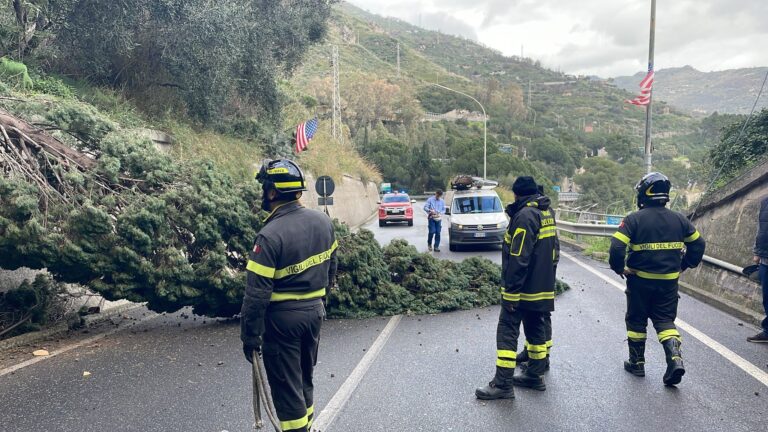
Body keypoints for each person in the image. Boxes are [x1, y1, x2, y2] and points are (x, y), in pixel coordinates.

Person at [241, 159, 338, 432]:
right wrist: (320, 302)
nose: (263, 193)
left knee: (287, 387)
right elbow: (332, 267)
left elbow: (256, 294)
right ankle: (306, 427)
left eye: (265, 188)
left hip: (282, 321)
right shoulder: (323, 222)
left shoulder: (269, 235)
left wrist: (249, 336)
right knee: (304, 378)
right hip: (314, 313)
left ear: (272, 193)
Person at [609, 172, 705, 386]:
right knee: (665, 321)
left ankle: (637, 363)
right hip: (669, 282)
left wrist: (619, 269)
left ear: (643, 194)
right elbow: (698, 244)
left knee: (636, 320)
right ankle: (675, 359)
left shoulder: (634, 219)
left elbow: (616, 246)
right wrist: (685, 264)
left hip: (640, 281)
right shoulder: (679, 219)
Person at [476, 176, 558, 400]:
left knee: (507, 331)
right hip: (541, 286)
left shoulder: (524, 216)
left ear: (517, 194)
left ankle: (502, 383)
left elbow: (519, 257)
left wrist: (511, 293)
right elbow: (554, 252)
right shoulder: (546, 212)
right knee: (535, 328)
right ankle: (535, 375)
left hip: (522, 289)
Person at [516, 184, 558, 373]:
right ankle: (533, 353)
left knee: (539, 316)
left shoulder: (539, 213)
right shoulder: (547, 212)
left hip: (539, 274)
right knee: (537, 316)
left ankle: (541, 359)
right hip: (547, 270)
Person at [749, 196, 768, 343]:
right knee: (767, 299)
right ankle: (767, 331)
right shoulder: (765, 201)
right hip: (765, 259)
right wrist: (757, 252)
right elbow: (760, 229)